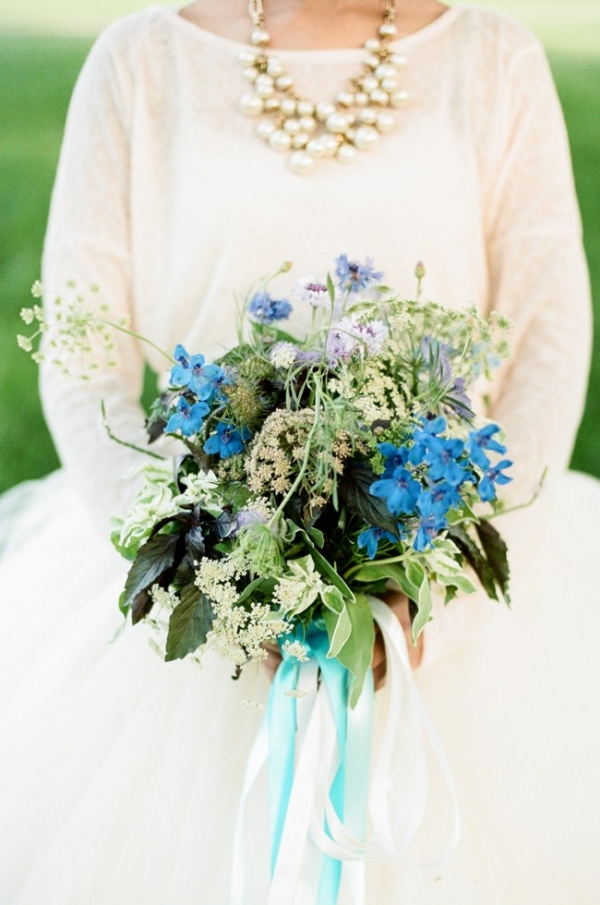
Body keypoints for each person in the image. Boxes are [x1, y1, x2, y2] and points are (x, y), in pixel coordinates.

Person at [1, 1, 599, 902]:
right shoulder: (140, 63)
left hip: (443, 572)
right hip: (204, 570)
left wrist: (432, 597)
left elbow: (549, 344)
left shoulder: (496, 61)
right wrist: (209, 578)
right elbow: (82, 370)